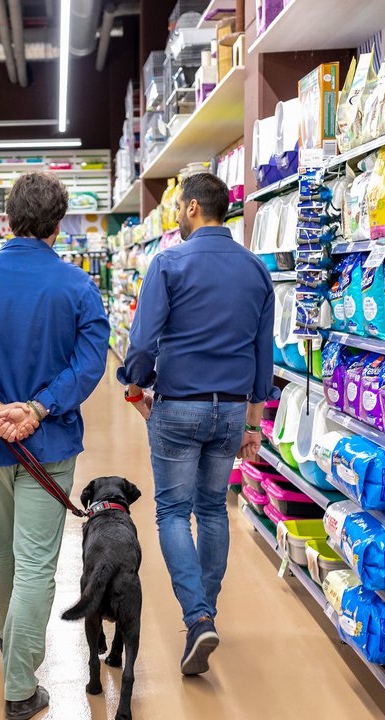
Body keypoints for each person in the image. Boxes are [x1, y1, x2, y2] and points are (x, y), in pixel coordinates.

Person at [0, 172, 110, 720]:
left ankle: (4, 629)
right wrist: (37, 409)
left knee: (0, 546)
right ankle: (19, 683)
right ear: (59, 226)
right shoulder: (78, 287)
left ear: (6, 219)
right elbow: (90, 361)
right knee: (37, 561)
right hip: (50, 445)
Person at [118, 172, 275, 677]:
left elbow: (142, 343)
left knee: (171, 512)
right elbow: (262, 358)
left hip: (178, 405)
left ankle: (197, 615)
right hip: (230, 410)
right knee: (212, 511)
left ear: (190, 209)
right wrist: (253, 424)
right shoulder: (256, 269)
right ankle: (205, 611)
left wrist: (135, 385)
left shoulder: (168, 263)